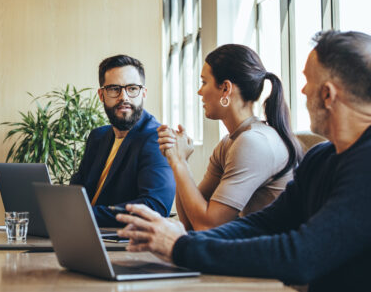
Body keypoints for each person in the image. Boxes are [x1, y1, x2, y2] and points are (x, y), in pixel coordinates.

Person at [116, 30, 371, 292]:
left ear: (328, 94)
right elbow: (262, 224)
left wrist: (181, 247)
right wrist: (180, 240)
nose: (303, 90)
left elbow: (301, 255)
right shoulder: (321, 157)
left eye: (308, 81)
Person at [157, 45, 301, 230]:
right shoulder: (230, 142)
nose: (199, 92)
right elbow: (189, 223)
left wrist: (179, 162)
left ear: (225, 89)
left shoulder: (253, 143)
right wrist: (177, 161)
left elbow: (206, 226)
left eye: (204, 82)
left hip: (271, 254)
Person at [70, 55, 175, 227]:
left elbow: (154, 207)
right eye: (114, 89)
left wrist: (83, 215)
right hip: (82, 233)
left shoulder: (156, 139)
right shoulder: (98, 137)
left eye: (132, 88)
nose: (123, 97)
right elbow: (77, 190)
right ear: (101, 95)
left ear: (143, 93)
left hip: (124, 243)